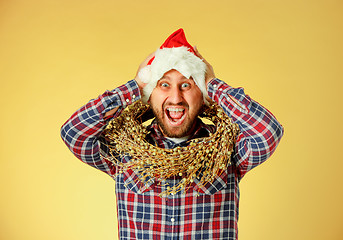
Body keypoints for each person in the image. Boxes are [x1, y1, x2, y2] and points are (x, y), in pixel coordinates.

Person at [60, 28, 284, 240]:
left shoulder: (228, 150)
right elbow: (73, 132)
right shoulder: (123, 150)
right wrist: (135, 86)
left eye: (186, 85)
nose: (176, 98)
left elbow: (268, 132)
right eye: (164, 85)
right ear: (149, 95)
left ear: (201, 93)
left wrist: (213, 85)